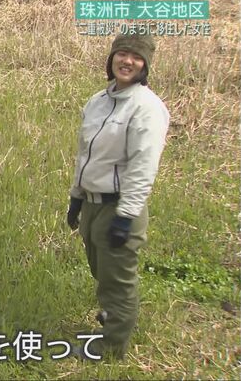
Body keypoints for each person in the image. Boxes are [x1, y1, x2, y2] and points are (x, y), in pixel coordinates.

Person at [66, 33, 170, 359]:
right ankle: (113, 320)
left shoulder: (147, 108)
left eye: (136, 57)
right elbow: (86, 155)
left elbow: (142, 167)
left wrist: (125, 217)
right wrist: (76, 198)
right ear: (111, 60)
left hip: (119, 208)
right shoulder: (98, 101)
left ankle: (112, 348)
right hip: (93, 204)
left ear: (145, 65)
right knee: (102, 271)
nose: (127, 61)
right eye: (121, 54)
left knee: (118, 281)